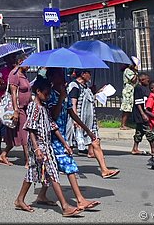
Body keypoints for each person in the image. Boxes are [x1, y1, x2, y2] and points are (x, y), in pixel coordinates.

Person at [13, 76, 84, 217]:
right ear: (38, 91)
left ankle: (20, 199)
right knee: (52, 172)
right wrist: (37, 148)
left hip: (47, 144)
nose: (48, 96)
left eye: (49, 93)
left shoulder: (44, 107)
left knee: (33, 173)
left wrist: (65, 144)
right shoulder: (34, 107)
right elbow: (31, 129)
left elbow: (53, 126)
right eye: (46, 93)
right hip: (39, 146)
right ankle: (65, 207)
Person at [35, 68, 99, 211]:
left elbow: (72, 113)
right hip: (52, 137)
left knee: (52, 168)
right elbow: (53, 117)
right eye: (58, 75)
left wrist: (87, 130)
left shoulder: (65, 94)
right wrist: (61, 98)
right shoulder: (49, 95)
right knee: (69, 165)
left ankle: (41, 195)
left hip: (63, 135)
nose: (62, 78)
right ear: (52, 78)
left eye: (63, 75)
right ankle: (80, 199)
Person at [67, 69, 119, 178]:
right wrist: (75, 120)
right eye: (88, 73)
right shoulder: (74, 85)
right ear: (82, 74)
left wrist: (97, 91)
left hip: (90, 122)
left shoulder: (86, 87)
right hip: (79, 121)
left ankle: (104, 170)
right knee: (70, 145)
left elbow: (88, 99)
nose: (90, 75)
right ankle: (66, 167)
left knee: (96, 142)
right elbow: (73, 104)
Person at [0, 54, 30, 165]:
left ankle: (3, 155)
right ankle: (28, 161)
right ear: (21, 61)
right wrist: (16, 110)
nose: (30, 66)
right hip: (19, 109)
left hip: (25, 109)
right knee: (25, 134)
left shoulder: (23, 74)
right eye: (28, 62)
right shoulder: (14, 74)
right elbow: (13, 93)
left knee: (15, 135)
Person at [130, 72, 154, 156]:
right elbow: (138, 102)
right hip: (141, 113)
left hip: (145, 113)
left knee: (139, 131)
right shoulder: (138, 88)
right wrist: (143, 114)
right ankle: (153, 149)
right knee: (148, 131)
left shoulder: (145, 88)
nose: (148, 82)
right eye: (147, 81)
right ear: (142, 80)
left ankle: (135, 148)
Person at [120, 58, 139, 130]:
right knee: (126, 108)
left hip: (131, 90)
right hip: (128, 91)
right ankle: (123, 125)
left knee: (129, 107)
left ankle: (126, 123)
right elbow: (133, 80)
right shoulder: (128, 71)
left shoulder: (130, 71)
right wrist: (136, 72)